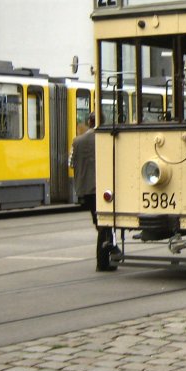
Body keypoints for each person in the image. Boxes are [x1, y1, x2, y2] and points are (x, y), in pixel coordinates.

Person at [72, 112, 117, 270]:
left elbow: (73, 164)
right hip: (103, 188)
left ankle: (108, 253)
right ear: (103, 122)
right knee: (105, 224)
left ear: (89, 122)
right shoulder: (106, 138)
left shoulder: (77, 141)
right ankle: (103, 260)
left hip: (86, 190)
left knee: (100, 223)